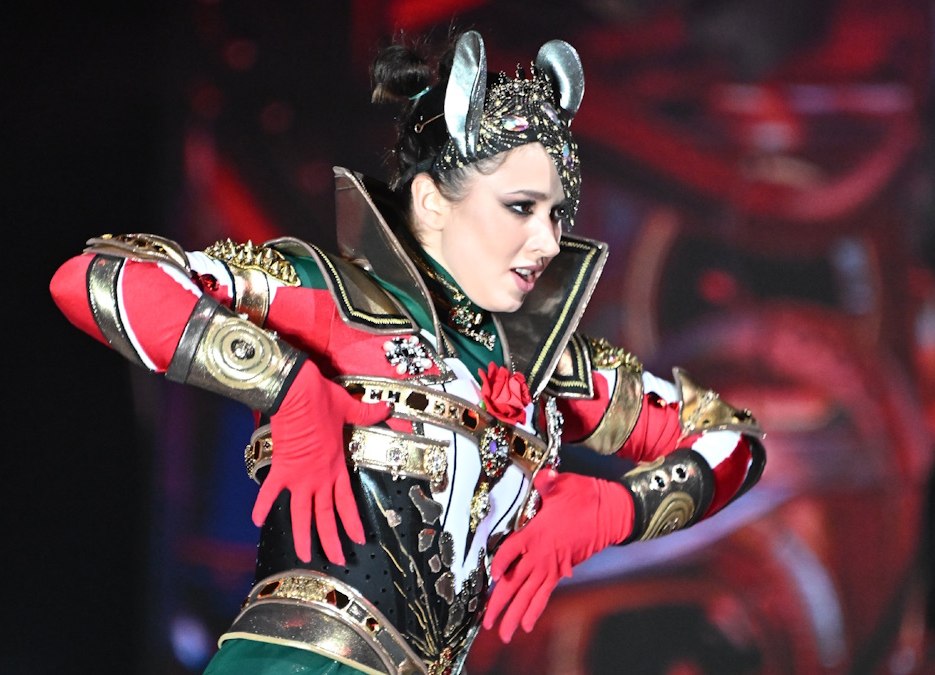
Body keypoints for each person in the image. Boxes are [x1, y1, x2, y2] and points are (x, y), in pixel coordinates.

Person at [50, 30, 765, 675]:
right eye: (521, 208)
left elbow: (733, 440)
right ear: (430, 200)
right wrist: (288, 385)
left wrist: (621, 507)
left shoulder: (550, 374)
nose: (549, 241)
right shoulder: (335, 299)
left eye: (556, 214)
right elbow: (98, 278)